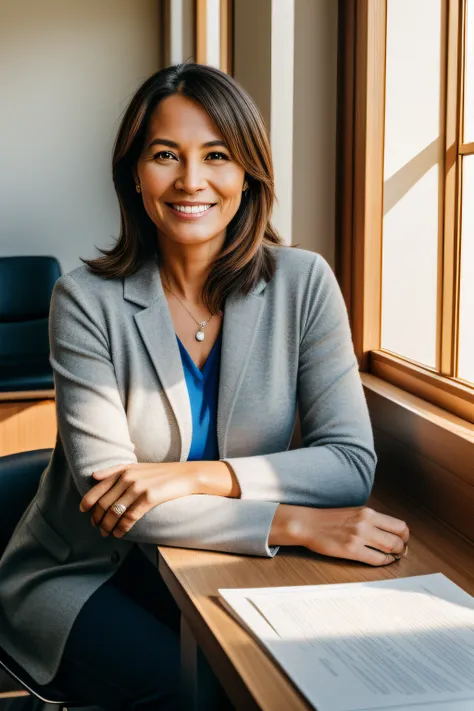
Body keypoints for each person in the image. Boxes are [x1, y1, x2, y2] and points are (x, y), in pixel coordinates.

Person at [0, 62, 409, 710]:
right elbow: (113, 499)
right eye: (166, 154)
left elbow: (350, 463)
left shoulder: (303, 284)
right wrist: (295, 520)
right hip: (83, 573)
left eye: (216, 155)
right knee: (204, 692)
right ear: (136, 173)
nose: (192, 180)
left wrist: (195, 475)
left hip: (220, 559)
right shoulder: (84, 299)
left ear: (247, 171)